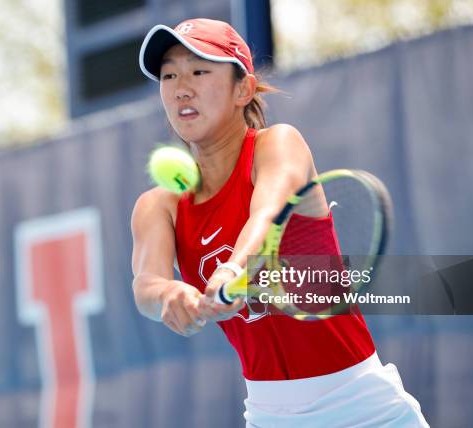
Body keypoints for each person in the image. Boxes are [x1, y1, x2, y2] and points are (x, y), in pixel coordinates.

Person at [131, 18, 428, 427]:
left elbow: (266, 214)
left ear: (243, 89)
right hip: (269, 415)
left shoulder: (279, 144)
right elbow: (146, 284)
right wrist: (169, 295)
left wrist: (235, 268)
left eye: (199, 70)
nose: (181, 86)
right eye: (168, 75)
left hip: (363, 405)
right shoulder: (157, 205)